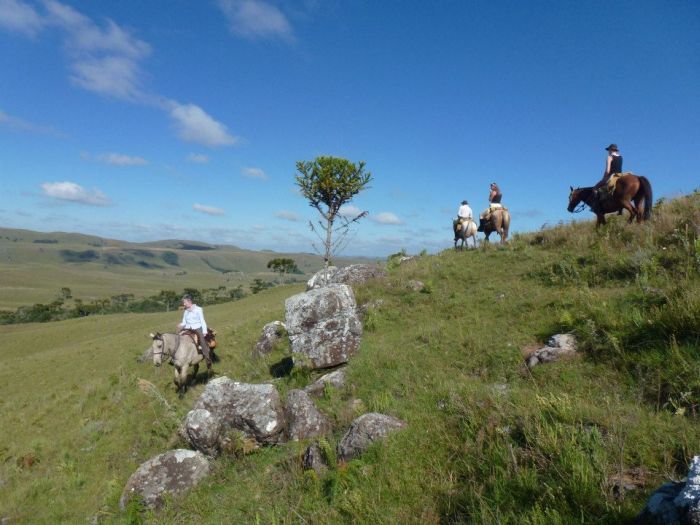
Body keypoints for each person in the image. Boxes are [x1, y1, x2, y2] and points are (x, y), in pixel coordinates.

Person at [178, 294, 212, 365]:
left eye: (185, 302)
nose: (183, 304)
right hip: (187, 329)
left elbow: (202, 321)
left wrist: (204, 331)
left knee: (202, 342)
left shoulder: (198, 309)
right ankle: (176, 359)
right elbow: (184, 322)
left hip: (197, 328)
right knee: (178, 338)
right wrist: (180, 325)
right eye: (183, 303)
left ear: (189, 301)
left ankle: (208, 359)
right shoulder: (186, 311)